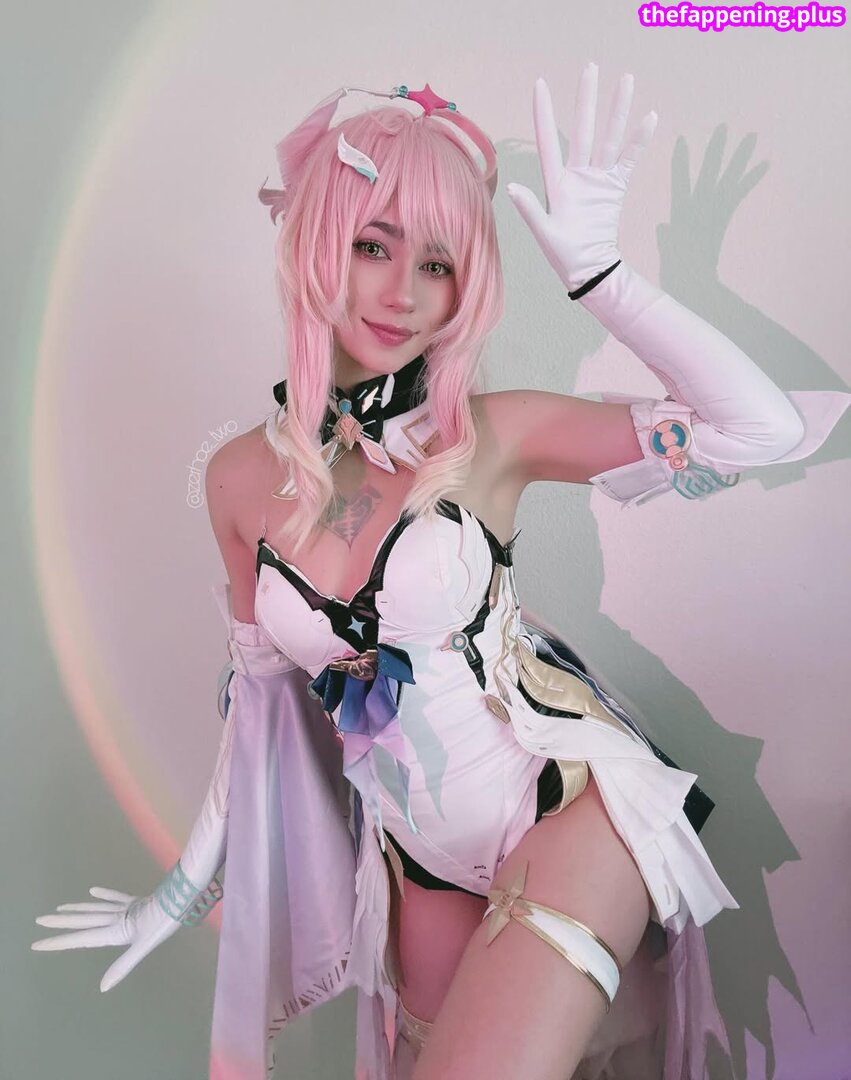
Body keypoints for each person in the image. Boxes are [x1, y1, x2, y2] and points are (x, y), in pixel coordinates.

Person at [32, 68, 849, 1080]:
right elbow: (262, 718)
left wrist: (603, 276)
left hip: (560, 803)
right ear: (315, 243)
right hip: (415, 857)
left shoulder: (493, 437)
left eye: (438, 263)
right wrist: (179, 893)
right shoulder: (238, 481)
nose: (403, 294)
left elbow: (758, 430)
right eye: (372, 246)